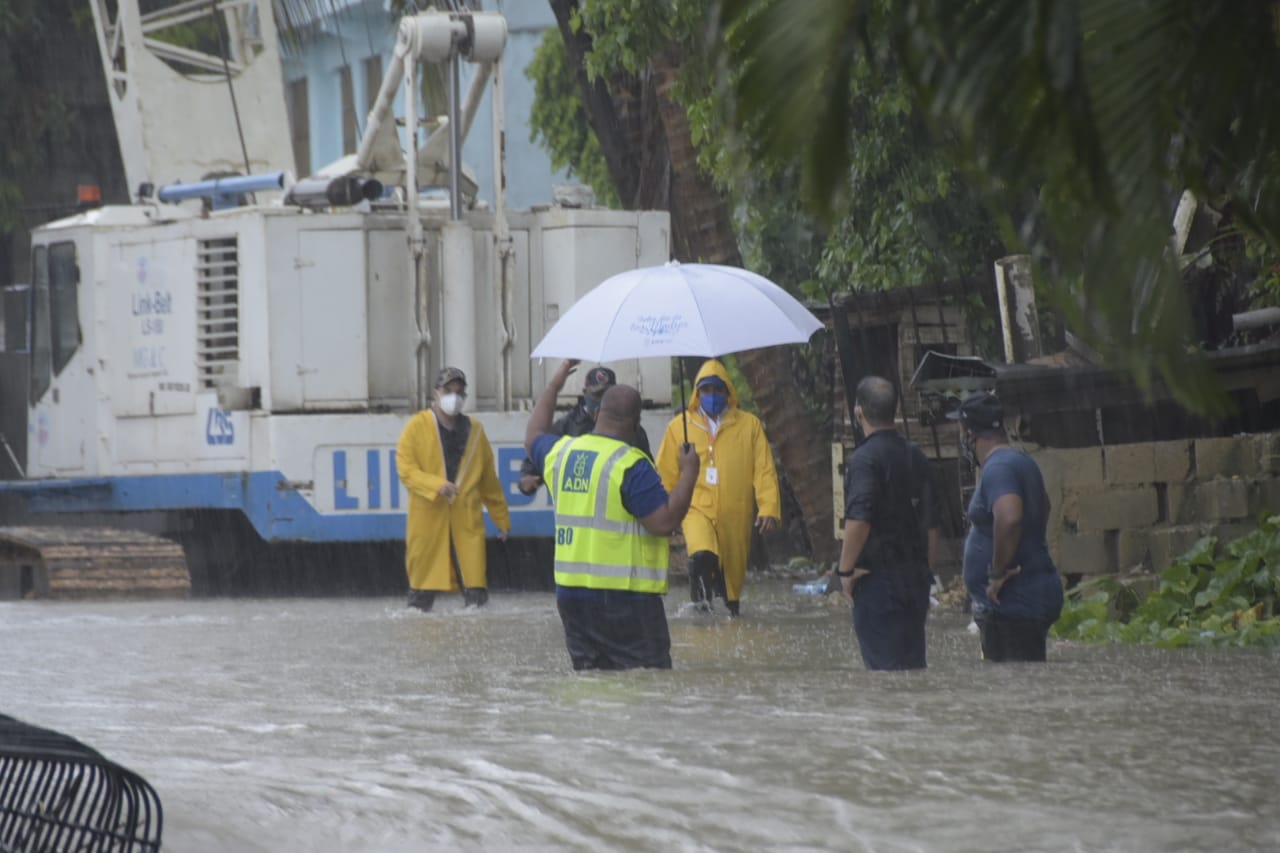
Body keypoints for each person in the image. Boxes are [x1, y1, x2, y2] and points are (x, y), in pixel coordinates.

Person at [525, 359, 699, 670]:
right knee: (647, 685)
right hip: (626, 600)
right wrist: (689, 473)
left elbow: (534, 435)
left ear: (596, 413)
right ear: (636, 422)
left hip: (571, 597)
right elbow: (664, 522)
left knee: (591, 683)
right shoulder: (631, 464)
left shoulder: (561, 453)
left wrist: (554, 385)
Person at [654, 360, 780, 616]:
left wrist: (768, 507)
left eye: (717, 390)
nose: (711, 396)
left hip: (736, 512)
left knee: (731, 581)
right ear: (696, 393)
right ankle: (700, 608)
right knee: (701, 555)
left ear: (728, 392)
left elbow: (764, 469)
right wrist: (663, 509)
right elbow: (665, 471)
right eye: (706, 391)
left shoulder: (749, 425)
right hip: (695, 507)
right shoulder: (680, 427)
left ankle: (728, 617)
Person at [836, 376, 943, 671]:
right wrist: (925, 573)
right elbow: (931, 524)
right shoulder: (916, 456)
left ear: (858, 412)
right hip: (915, 581)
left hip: (877, 583)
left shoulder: (864, 460)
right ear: (895, 408)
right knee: (913, 668)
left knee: (884, 676)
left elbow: (859, 519)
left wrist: (845, 571)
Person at [950, 391, 1063, 662]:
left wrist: (997, 572)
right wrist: (1027, 547)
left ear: (969, 433)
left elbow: (1010, 518)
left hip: (1013, 604)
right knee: (1021, 686)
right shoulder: (1022, 461)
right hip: (1026, 599)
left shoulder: (998, 467)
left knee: (1010, 690)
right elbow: (1044, 506)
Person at [397, 367, 511, 611]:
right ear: (435, 393)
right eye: (448, 391)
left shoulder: (476, 431)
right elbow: (406, 469)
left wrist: (500, 517)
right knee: (420, 599)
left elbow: (488, 480)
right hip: (429, 522)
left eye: (459, 392)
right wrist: (436, 485)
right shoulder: (417, 427)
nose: (454, 397)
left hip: (466, 523)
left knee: (476, 596)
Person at [517, 366, 651, 496]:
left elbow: (647, 470)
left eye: (607, 395)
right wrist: (526, 480)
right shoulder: (567, 426)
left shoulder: (632, 428)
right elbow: (534, 458)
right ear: (585, 393)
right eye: (597, 395)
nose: (602, 400)